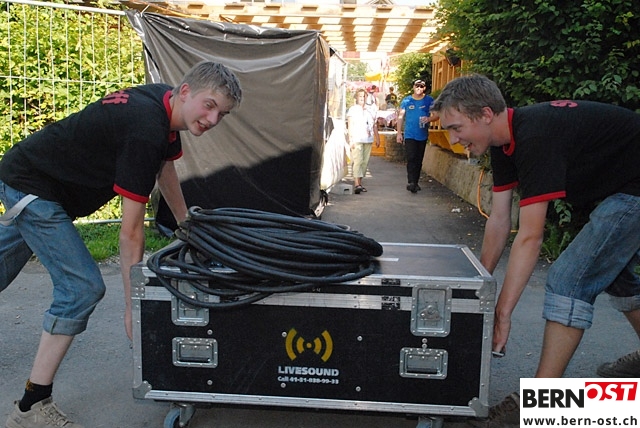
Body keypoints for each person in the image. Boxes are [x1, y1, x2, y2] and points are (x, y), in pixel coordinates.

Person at [0, 61, 242, 428]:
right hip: (33, 187)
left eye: (221, 113)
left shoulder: (163, 103)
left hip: (35, 176)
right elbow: (129, 234)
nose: (212, 119)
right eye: (209, 106)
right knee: (81, 288)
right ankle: (31, 406)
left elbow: (164, 167)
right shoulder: (146, 128)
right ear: (186, 91)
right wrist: (134, 307)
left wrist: (187, 226)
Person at [431, 74, 640, 427]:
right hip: (624, 185)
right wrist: (480, 289)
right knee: (616, 276)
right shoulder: (503, 143)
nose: (453, 139)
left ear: (485, 114)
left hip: (634, 190)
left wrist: (503, 313)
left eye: (456, 128)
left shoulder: (536, 136)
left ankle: (540, 405)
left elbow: (530, 237)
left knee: (569, 280)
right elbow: (499, 221)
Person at [396, 79, 439, 193]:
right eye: (417, 86)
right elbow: (400, 117)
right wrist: (399, 133)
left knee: (418, 159)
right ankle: (411, 181)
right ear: (413, 87)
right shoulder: (407, 100)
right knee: (411, 157)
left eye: (421, 86)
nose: (419, 88)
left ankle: (415, 182)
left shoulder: (429, 100)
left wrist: (428, 119)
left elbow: (437, 115)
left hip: (422, 134)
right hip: (409, 134)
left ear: (424, 88)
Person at [347, 88, 380, 194]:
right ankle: (357, 184)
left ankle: (360, 183)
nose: (362, 98)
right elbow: (350, 125)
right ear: (357, 98)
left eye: (364, 96)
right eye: (360, 96)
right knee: (358, 161)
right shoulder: (353, 109)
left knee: (364, 162)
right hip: (357, 138)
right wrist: (350, 139)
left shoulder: (370, 110)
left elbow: (374, 125)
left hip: (368, 139)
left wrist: (377, 138)